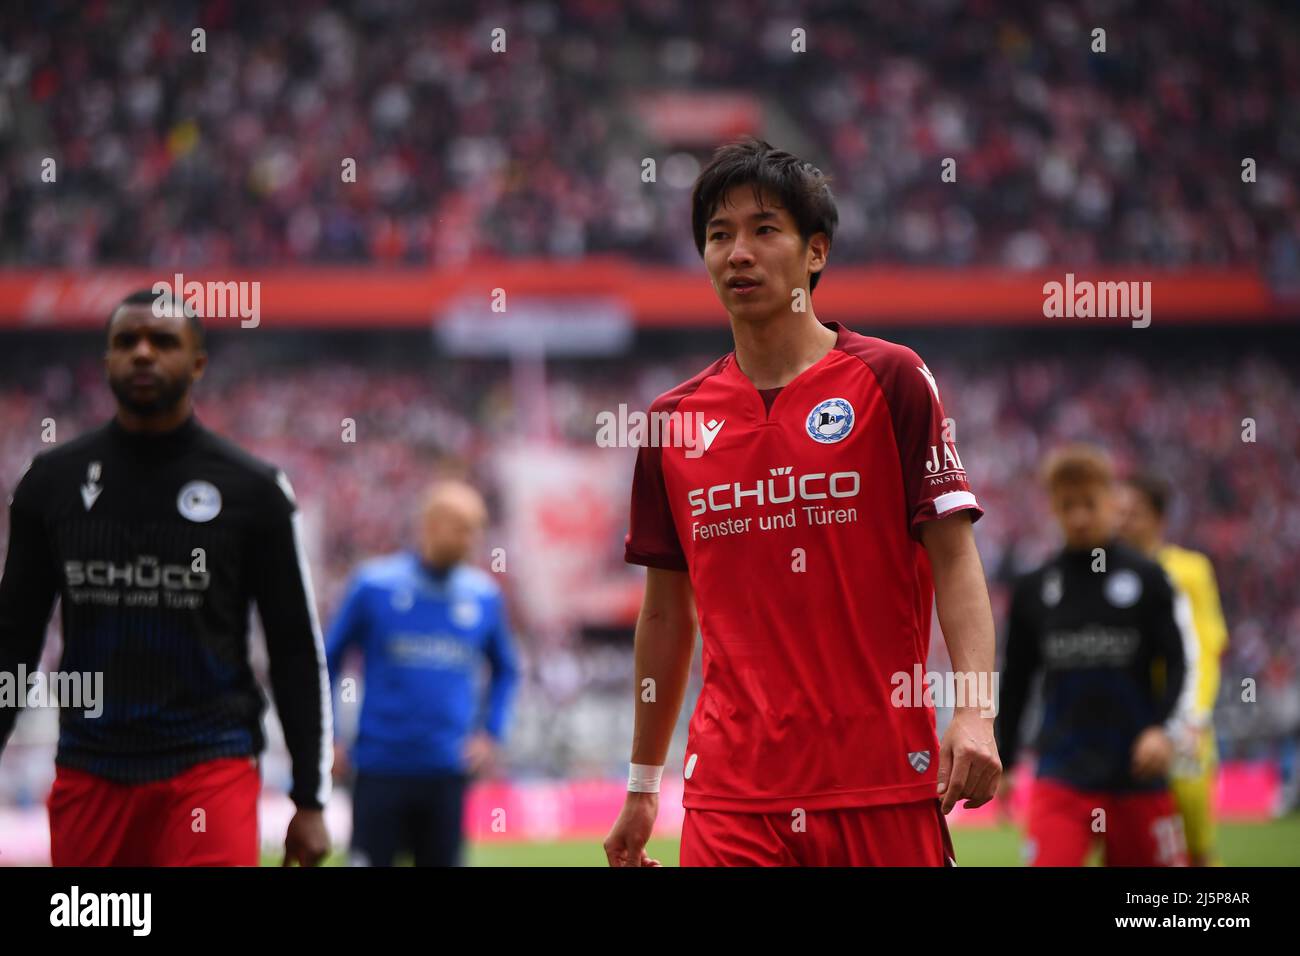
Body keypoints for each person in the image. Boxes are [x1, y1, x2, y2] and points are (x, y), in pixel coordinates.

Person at [604, 138, 1000, 867]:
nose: (738, 254)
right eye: (718, 236)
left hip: (881, 779)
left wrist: (976, 708)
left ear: (815, 252)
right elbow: (664, 612)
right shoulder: (670, 421)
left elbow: (955, 559)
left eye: (764, 230)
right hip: (732, 793)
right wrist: (641, 783)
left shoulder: (892, 379)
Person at [0, 288, 332, 866]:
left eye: (163, 342)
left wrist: (310, 798)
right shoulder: (51, 483)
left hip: (210, 766)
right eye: (126, 342)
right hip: (91, 768)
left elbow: (295, 647)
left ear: (198, 362)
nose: (143, 354)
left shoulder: (252, 491)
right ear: (106, 361)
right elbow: (12, 639)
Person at [996, 444, 1188, 866]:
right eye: (1067, 506)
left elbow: (1176, 662)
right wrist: (1006, 760)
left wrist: (1161, 729)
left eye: (1089, 503)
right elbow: (1015, 682)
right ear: (1053, 509)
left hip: (1137, 775)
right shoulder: (1033, 590)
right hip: (1063, 773)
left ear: (1110, 500)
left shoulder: (1147, 577)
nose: (1079, 517)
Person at [326, 480, 520, 866]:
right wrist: (328, 738)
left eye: (477, 529)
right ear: (431, 525)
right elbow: (327, 660)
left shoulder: (483, 595)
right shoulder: (374, 585)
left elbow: (507, 670)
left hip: (447, 772)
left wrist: (490, 733)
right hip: (379, 768)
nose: (472, 539)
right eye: (463, 527)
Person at [1118, 473, 1229, 865]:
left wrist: (1194, 717)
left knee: (1195, 844)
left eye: (1135, 513)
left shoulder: (1189, 570)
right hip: (1127, 724)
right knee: (1126, 842)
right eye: (1121, 512)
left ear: (1158, 518)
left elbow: (1205, 646)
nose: (1124, 521)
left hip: (1182, 724)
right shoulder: (1108, 570)